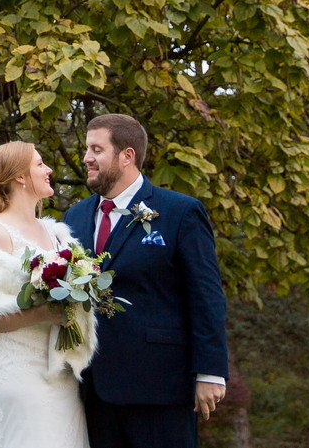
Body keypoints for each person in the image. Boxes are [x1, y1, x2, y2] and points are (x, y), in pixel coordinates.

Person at [64, 114, 229, 448]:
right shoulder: (75, 216)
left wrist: (210, 371)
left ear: (127, 156)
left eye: (96, 149)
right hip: (92, 388)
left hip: (160, 385)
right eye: (86, 149)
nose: (86, 158)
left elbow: (206, 295)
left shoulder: (180, 212)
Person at [0, 141, 96, 448]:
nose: (49, 170)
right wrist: (41, 312)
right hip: (14, 375)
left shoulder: (56, 233)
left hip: (58, 374)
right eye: (40, 164)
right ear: (20, 177)